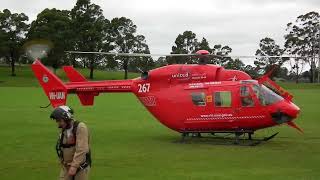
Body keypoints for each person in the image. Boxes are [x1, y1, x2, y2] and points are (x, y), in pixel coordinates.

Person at [50, 105, 91, 180]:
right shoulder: (64, 129)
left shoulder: (80, 127)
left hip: (80, 168)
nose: (58, 123)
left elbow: (82, 149)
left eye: (59, 120)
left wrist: (74, 166)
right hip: (66, 167)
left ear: (67, 118)